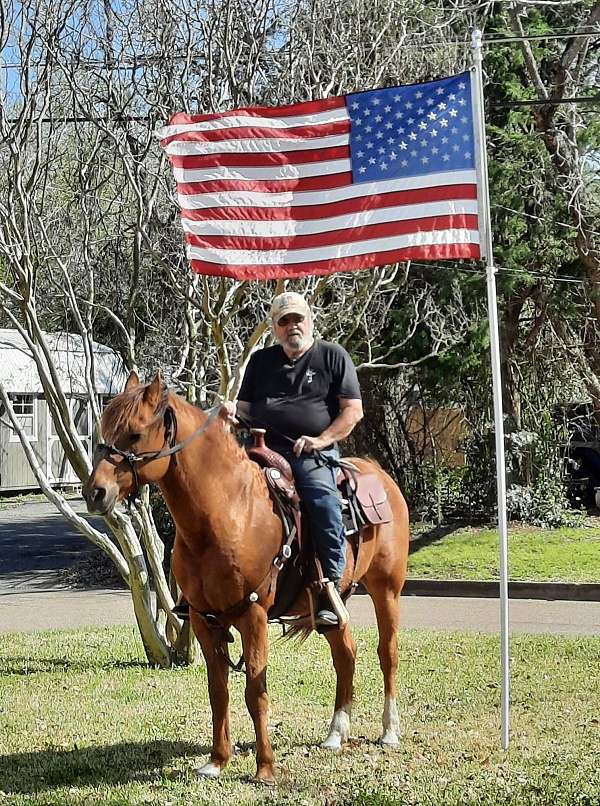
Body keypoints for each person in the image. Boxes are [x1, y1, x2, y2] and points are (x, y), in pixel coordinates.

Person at [223, 291, 363, 626]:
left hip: (310, 453)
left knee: (322, 501)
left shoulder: (332, 356)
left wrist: (321, 439)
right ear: (274, 327)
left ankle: (330, 587)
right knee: (220, 496)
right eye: (283, 321)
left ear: (310, 321)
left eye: (297, 318)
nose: (291, 326)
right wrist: (230, 411)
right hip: (260, 449)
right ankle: (207, 589)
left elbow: (352, 411)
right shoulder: (261, 361)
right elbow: (244, 408)